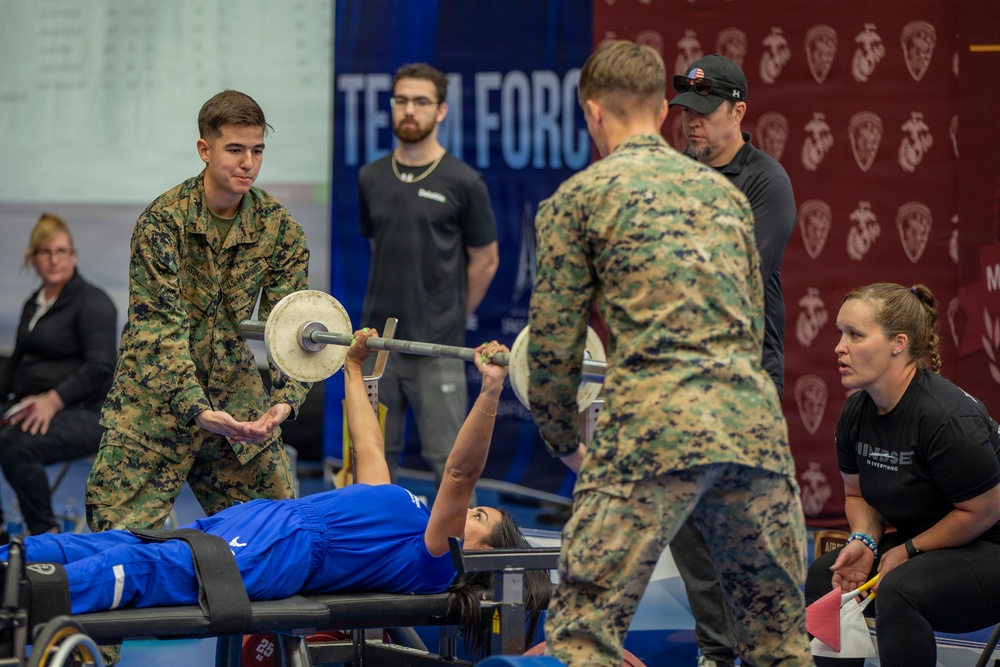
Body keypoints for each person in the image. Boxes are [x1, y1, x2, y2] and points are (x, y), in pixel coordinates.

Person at [3, 331, 549, 659]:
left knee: (143, 568)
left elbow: (459, 473)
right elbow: (370, 451)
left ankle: (22, 605)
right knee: (117, 542)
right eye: (474, 511)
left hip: (286, 546)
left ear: (477, 553)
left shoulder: (435, 557)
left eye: (477, 517)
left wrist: (493, 388)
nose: (464, 512)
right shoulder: (406, 510)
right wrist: (352, 369)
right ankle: (10, 564)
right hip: (271, 521)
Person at [526, 40, 811, 667]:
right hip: (752, 433)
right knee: (780, 644)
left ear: (592, 111)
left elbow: (552, 352)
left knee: (580, 637)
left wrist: (561, 437)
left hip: (652, 428)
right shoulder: (728, 200)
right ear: (661, 111)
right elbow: (751, 314)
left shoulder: (577, 201)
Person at [86, 90, 311, 533]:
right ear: (204, 150)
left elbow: (291, 325)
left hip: (236, 403)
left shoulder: (278, 227)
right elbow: (158, 330)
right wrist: (195, 408)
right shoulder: (162, 222)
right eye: (235, 149)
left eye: (257, 150)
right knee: (116, 543)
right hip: (152, 403)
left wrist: (286, 401)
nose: (248, 162)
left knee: (282, 536)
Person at [667, 53, 798, 667]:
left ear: (739, 112)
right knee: (690, 526)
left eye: (704, 112)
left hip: (743, 380)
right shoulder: (675, 177)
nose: (690, 124)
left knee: (746, 527)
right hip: (680, 376)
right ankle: (716, 653)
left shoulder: (765, 181)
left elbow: (737, 273)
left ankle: (771, 651)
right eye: (684, 113)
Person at [805, 283, 1000, 667]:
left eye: (855, 335)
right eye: (840, 333)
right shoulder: (857, 412)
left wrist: (909, 550)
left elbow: (983, 512)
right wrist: (865, 539)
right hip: (934, 544)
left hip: (990, 543)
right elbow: (858, 496)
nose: (839, 347)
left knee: (899, 589)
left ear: (899, 343)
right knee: (824, 576)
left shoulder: (943, 418)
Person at [358, 62, 499, 489]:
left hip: (438, 345)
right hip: (378, 345)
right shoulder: (371, 177)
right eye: (401, 100)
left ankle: (456, 556)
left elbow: (486, 260)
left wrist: (451, 314)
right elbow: (377, 245)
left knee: (453, 465)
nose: (409, 110)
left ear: (441, 111)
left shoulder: (464, 182)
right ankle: (377, 553)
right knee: (371, 459)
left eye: (421, 102)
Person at [0, 213, 117, 539]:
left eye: (61, 251)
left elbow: (101, 366)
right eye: (46, 252)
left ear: (73, 255)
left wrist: (53, 401)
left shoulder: (93, 303)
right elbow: (13, 367)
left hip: (88, 413)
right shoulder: (33, 304)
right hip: (31, 403)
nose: (54, 259)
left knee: (14, 447)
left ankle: (45, 535)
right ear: (33, 258)